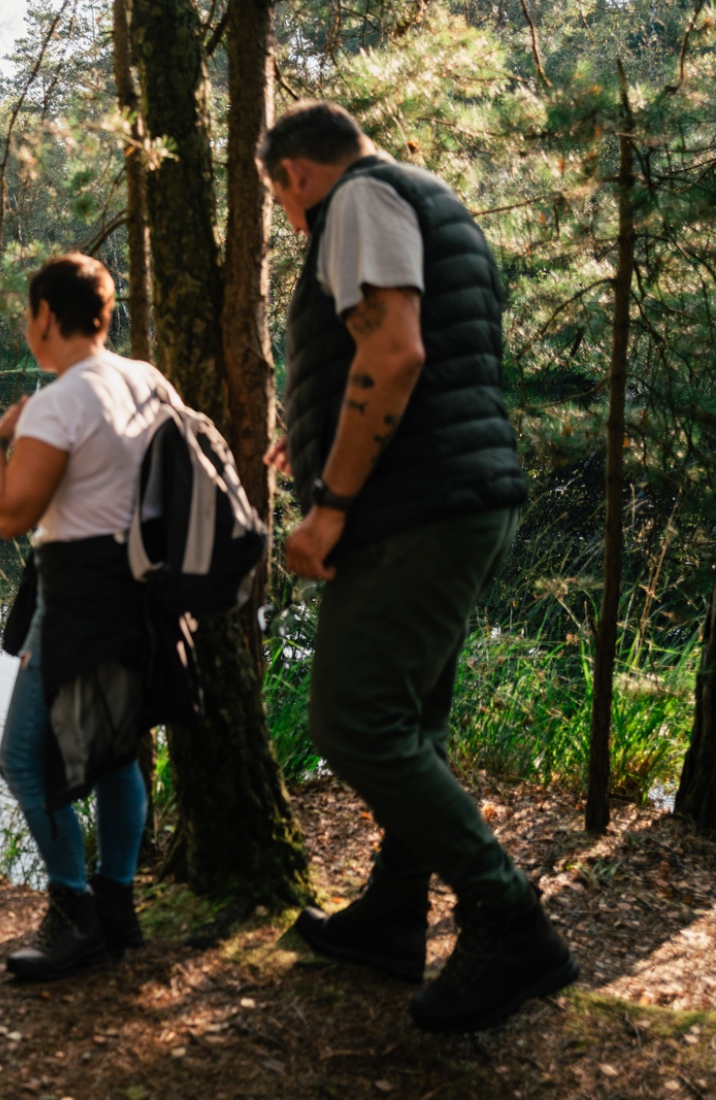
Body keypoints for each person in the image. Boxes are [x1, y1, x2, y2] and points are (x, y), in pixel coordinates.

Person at [258, 100, 576, 1033]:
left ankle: (509, 916)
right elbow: (428, 367)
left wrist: (329, 509)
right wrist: (314, 435)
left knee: (354, 721)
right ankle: (394, 918)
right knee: (414, 720)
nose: (291, 221)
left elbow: (394, 354)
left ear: (296, 175)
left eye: (283, 202)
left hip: (414, 515)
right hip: (461, 500)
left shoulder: (356, 200)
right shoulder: (432, 199)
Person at [0, 253, 184, 982]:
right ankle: (117, 900)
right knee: (117, 753)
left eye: (27, 316)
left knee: (23, 761)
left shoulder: (59, 401)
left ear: (44, 317)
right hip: (140, 594)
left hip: (75, 600)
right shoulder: (147, 381)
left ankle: (74, 911)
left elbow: (10, 515)